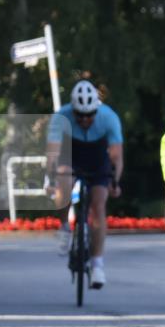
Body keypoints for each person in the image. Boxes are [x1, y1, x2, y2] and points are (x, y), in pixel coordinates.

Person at [46, 79, 124, 289]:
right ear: (73, 110)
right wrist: (50, 178)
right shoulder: (62, 116)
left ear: (95, 111)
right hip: (71, 155)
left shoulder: (109, 117)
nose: (85, 120)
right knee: (63, 180)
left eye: (89, 115)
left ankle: (97, 265)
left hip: (98, 159)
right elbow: (53, 152)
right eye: (80, 115)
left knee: (98, 205)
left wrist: (115, 181)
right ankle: (64, 226)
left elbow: (116, 156)